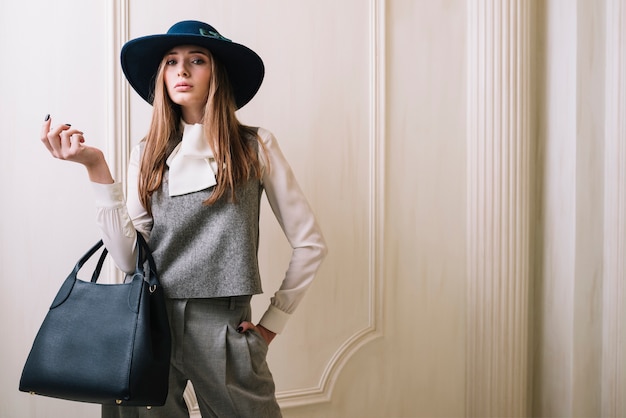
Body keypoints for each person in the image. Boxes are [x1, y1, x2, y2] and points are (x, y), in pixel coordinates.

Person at [40, 20, 327, 418]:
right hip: (146, 321)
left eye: (197, 60)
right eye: (171, 62)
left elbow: (311, 244)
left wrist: (270, 325)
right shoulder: (148, 153)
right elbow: (129, 260)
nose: (182, 71)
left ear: (217, 74)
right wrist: (96, 168)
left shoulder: (254, 146)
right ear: (161, 76)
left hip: (223, 324)